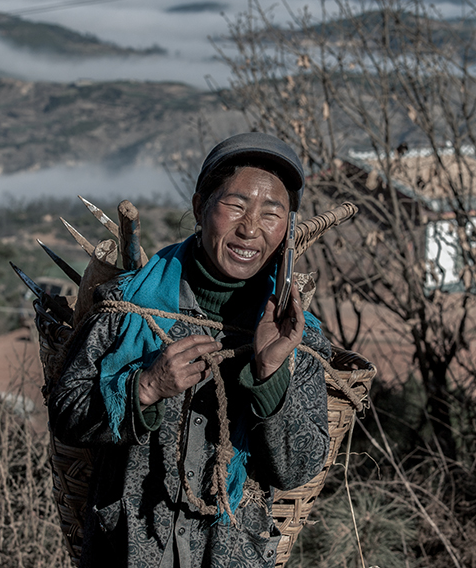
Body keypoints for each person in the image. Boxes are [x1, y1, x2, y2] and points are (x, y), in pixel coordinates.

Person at [48, 133, 330, 568]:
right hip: (125, 553)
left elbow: (298, 469)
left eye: (272, 213)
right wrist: (144, 387)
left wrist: (271, 374)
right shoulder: (126, 306)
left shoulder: (296, 336)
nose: (250, 228)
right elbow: (66, 413)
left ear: (288, 230)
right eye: (236, 205)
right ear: (200, 207)